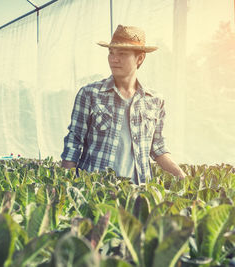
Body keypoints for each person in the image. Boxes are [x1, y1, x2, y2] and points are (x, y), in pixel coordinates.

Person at [61, 25, 186, 183]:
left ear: (140, 58)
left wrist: (180, 174)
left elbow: (158, 148)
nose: (114, 59)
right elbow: (74, 141)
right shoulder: (89, 94)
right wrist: (65, 186)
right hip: (96, 190)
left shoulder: (155, 100)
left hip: (138, 191)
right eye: (111, 53)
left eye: (122, 54)